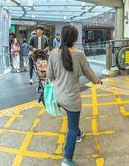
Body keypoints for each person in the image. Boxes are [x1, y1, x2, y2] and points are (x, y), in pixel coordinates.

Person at [46, 25, 101, 166]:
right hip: (71, 99)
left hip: (58, 97)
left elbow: (49, 75)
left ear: (63, 38)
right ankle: (67, 160)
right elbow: (88, 72)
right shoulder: (78, 54)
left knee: (73, 122)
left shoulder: (53, 53)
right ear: (75, 40)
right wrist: (97, 81)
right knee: (71, 127)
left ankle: (78, 134)